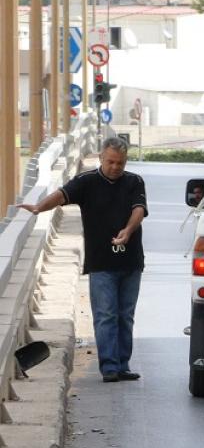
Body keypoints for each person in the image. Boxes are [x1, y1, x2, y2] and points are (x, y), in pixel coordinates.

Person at [19, 137, 148, 383]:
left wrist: (128, 231)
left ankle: (123, 364)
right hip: (101, 262)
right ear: (101, 158)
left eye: (120, 163)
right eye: (110, 161)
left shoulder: (134, 181)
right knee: (105, 314)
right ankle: (109, 367)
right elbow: (61, 195)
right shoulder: (86, 182)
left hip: (131, 261)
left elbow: (139, 209)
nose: (115, 167)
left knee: (125, 315)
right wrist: (38, 208)